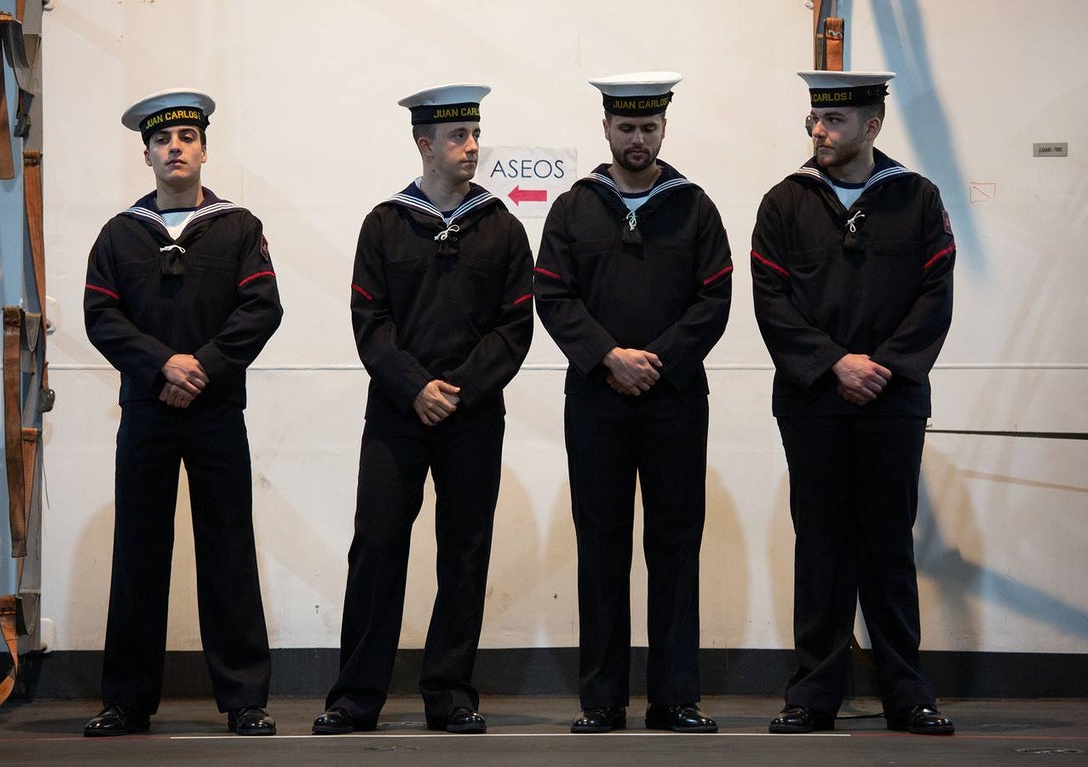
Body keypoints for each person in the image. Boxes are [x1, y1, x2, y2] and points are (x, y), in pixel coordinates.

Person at [312, 84, 533, 736]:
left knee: (464, 553)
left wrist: (458, 389)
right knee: (377, 546)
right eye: (458, 136)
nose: (471, 146)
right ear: (424, 144)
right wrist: (415, 387)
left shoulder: (502, 227)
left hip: (472, 414)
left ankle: (450, 693)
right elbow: (368, 321)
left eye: (475, 133)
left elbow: (514, 328)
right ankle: (355, 697)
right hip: (396, 415)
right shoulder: (384, 224)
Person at [750, 70, 955, 736]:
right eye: (814, 118)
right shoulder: (784, 203)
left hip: (892, 402)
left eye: (834, 121)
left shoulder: (917, 199)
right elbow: (772, 302)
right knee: (821, 546)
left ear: (871, 126)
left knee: (889, 547)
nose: (819, 130)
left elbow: (935, 295)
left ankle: (907, 691)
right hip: (814, 400)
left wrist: (884, 368)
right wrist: (836, 362)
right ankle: (814, 694)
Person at [534, 72, 733, 734]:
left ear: (664, 129)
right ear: (606, 129)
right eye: (627, 127)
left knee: (675, 546)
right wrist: (609, 356)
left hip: (674, 400)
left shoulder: (695, 208)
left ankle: (675, 698)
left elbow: (715, 299)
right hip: (597, 399)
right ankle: (603, 701)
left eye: (649, 128)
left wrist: (658, 361)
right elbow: (554, 296)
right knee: (601, 546)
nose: (638, 139)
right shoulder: (573, 207)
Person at [82, 89, 282, 737]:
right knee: (139, 553)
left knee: (228, 550)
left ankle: (245, 697)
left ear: (203, 148)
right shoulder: (119, 235)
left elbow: (261, 308)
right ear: (145, 153)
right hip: (146, 413)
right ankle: (126, 700)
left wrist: (202, 366)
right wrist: (161, 365)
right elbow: (101, 316)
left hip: (217, 410)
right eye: (163, 140)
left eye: (187, 138)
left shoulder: (238, 227)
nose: (176, 148)